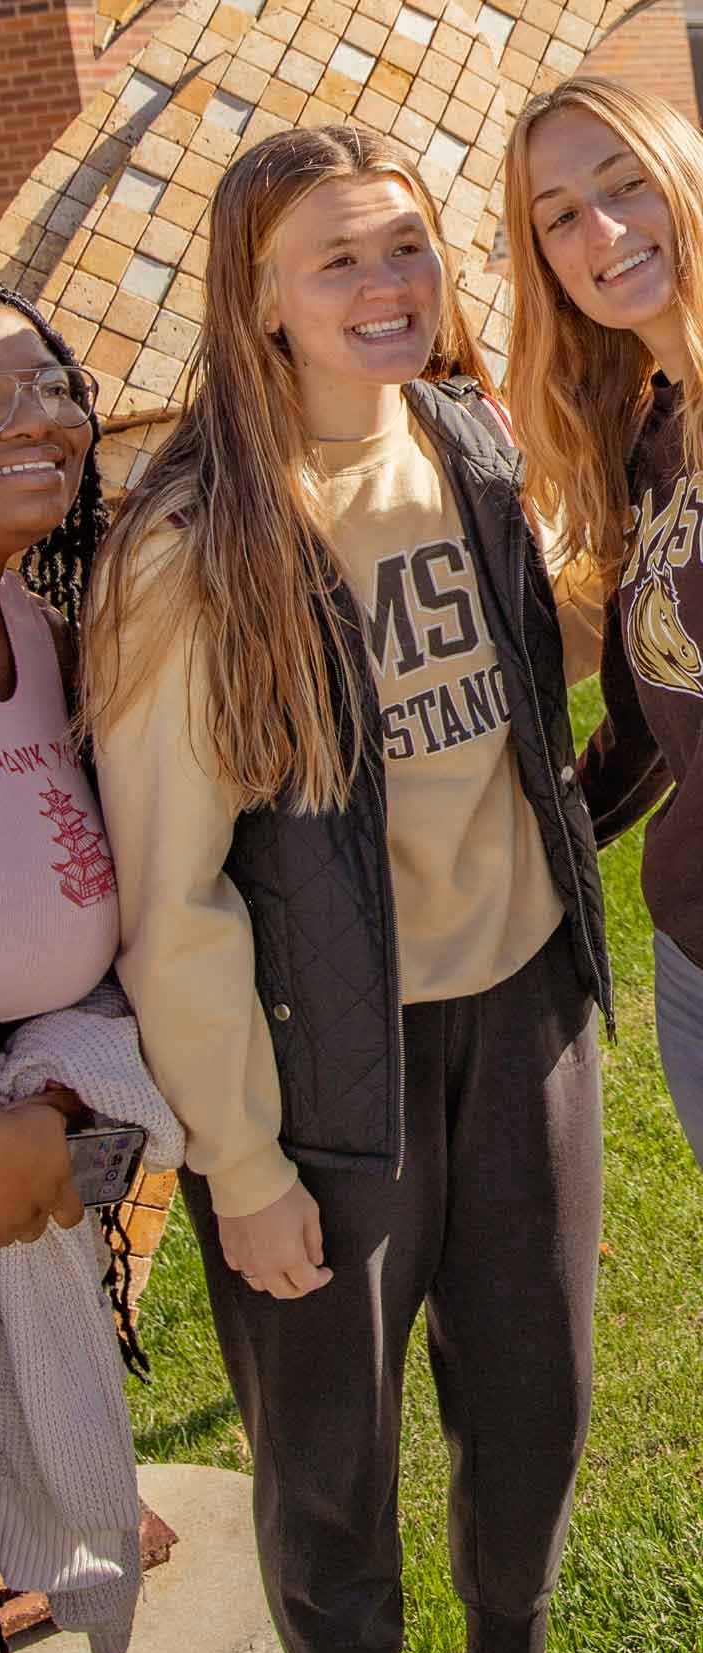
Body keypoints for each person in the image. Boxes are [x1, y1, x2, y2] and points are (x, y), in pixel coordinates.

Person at [86, 126, 610, 1653]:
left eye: (405, 245)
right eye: (338, 259)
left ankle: (507, 1635)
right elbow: (173, 893)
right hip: (325, 1066)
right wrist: (243, 1167)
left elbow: (534, 685)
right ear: (259, 297)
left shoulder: (469, 446)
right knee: (331, 1472)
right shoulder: (192, 544)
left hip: (524, 1025)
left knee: (536, 1409)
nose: (386, 284)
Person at [0, 272, 118, 1653]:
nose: (39, 418)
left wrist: (41, 1116)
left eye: (55, 384)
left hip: (13, 1154)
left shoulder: (46, 637)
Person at [504, 75, 703, 1172]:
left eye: (626, 185)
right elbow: (641, 721)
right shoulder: (651, 432)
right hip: (695, 955)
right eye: (562, 215)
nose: (605, 230)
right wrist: (532, 847)